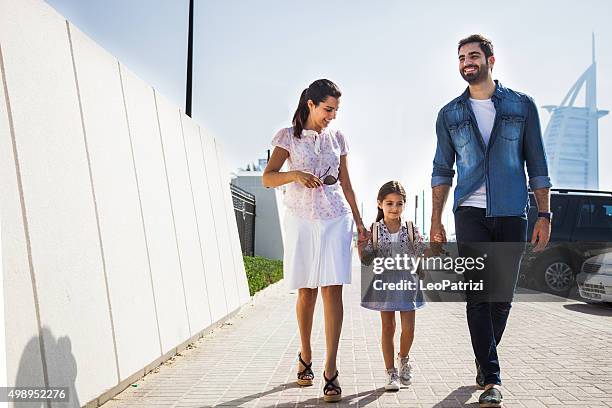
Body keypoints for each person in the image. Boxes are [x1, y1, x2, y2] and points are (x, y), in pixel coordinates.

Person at [430, 34, 552, 408]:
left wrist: (544, 214)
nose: (467, 62)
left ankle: (485, 363)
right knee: (478, 297)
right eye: (461, 57)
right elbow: (440, 170)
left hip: (512, 210)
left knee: (502, 299)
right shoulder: (450, 114)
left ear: (491, 60)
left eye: (473, 55)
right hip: (469, 212)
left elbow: (538, 166)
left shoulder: (521, 105)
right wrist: (435, 218)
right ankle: (493, 380)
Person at [262, 79, 367, 403]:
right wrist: (294, 175)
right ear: (311, 104)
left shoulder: (338, 138)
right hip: (301, 219)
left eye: (336, 110)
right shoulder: (287, 137)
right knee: (307, 292)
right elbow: (268, 178)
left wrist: (360, 225)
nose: (332, 115)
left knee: (332, 289)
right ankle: (305, 355)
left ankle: (331, 370)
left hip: (336, 218)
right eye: (328, 109)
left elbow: (347, 184)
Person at [358, 181, 427, 391]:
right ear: (380, 204)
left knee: (409, 328)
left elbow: (421, 251)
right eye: (389, 203)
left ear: (404, 205)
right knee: (388, 328)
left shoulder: (410, 228)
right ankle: (390, 373)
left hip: (407, 282)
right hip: (384, 283)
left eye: (398, 204)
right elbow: (367, 259)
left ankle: (403, 359)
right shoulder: (375, 230)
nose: (394, 208)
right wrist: (361, 245)